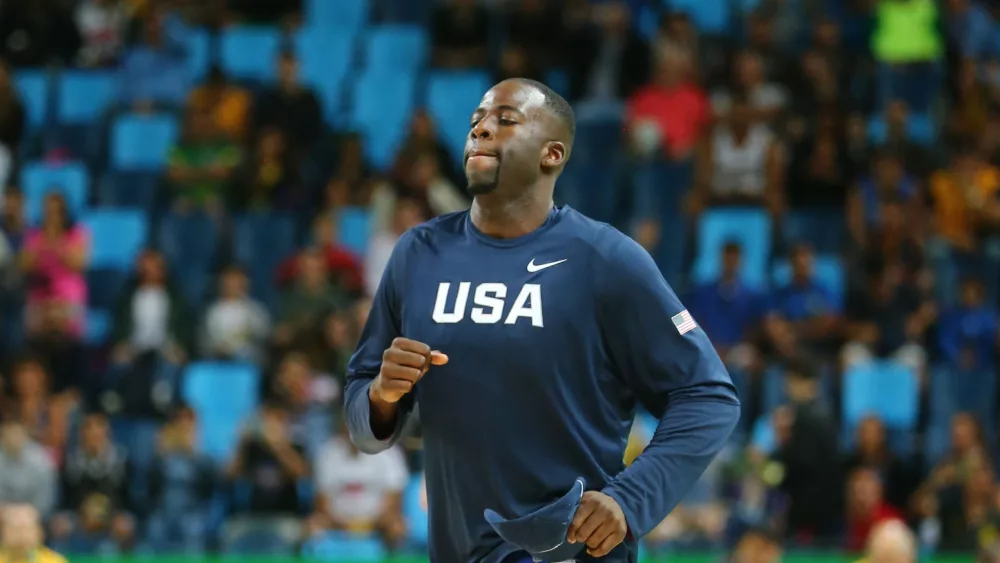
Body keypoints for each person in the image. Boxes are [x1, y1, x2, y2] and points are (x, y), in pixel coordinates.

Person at [344, 78, 740, 563]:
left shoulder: (605, 259)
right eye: (476, 122)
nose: (481, 130)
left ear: (552, 154)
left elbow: (707, 396)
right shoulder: (418, 254)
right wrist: (382, 397)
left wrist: (629, 500)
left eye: (505, 120)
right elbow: (362, 421)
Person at [0, 503, 68, 563]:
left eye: (27, 529)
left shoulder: (55, 561)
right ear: (3, 532)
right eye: (15, 529)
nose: (22, 535)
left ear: (40, 532)